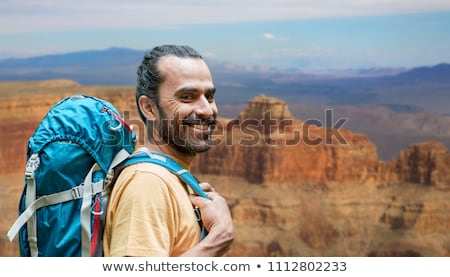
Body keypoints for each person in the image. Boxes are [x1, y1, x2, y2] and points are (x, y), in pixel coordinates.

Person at [103, 45, 234, 257]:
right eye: (187, 97)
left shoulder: (169, 176)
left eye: (209, 97)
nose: (207, 110)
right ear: (149, 108)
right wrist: (218, 239)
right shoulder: (147, 182)